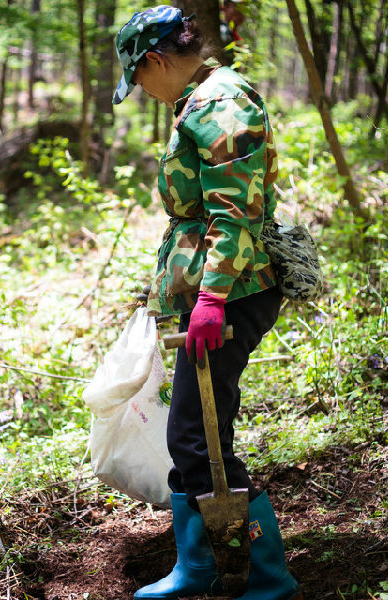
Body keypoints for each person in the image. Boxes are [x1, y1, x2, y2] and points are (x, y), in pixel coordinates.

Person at [113, 7, 302, 600]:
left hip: (235, 291)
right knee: (196, 431)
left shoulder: (220, 102)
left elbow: (235, 210)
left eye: (138, 77)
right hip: (216, 289)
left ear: (156, 59)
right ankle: (199, 565)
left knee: (198, 438)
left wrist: (212, 298)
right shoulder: (198, 98)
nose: (141, 90)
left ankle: (264, 578)